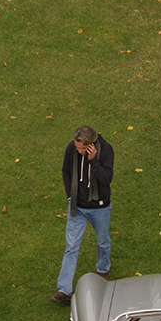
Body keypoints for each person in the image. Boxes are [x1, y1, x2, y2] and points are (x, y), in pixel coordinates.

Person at [49, 125, 114, 303]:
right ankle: (64, 290)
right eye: (77, 148)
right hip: (77, 207)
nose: (78, 151)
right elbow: (66, 172)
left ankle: (103, 270)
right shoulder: (72, 148)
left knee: (102, 242)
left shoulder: (106, 150)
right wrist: (70, 195)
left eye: (82, 149)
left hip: (100, 207)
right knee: (71, 246)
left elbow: (107, 178)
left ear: (91, 145)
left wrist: (93, 161)